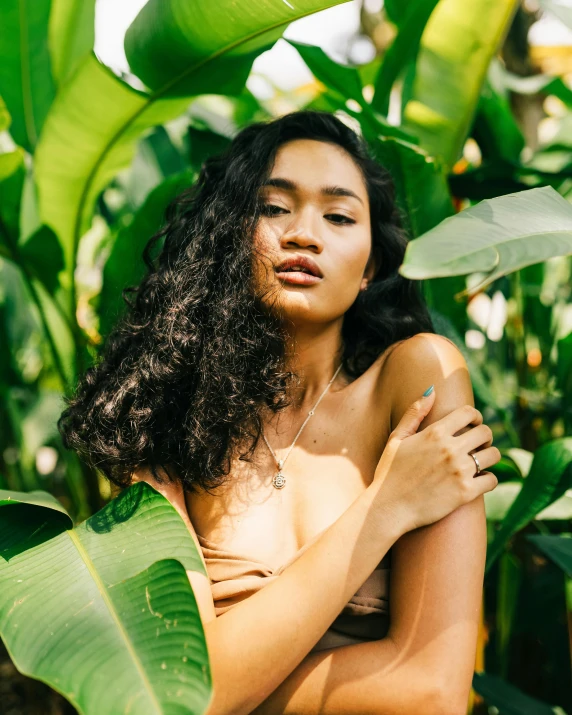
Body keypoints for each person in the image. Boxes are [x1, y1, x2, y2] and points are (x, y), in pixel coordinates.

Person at [58, 110, 500, 715]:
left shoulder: (418, 377)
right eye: (273, 208)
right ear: (229, 235)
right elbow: (177, 695)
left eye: (339, 216)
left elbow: (433, 690)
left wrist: (230, 682)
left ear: (371, 267)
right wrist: (384, 505)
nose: (304, 234)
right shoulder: (166, 417)